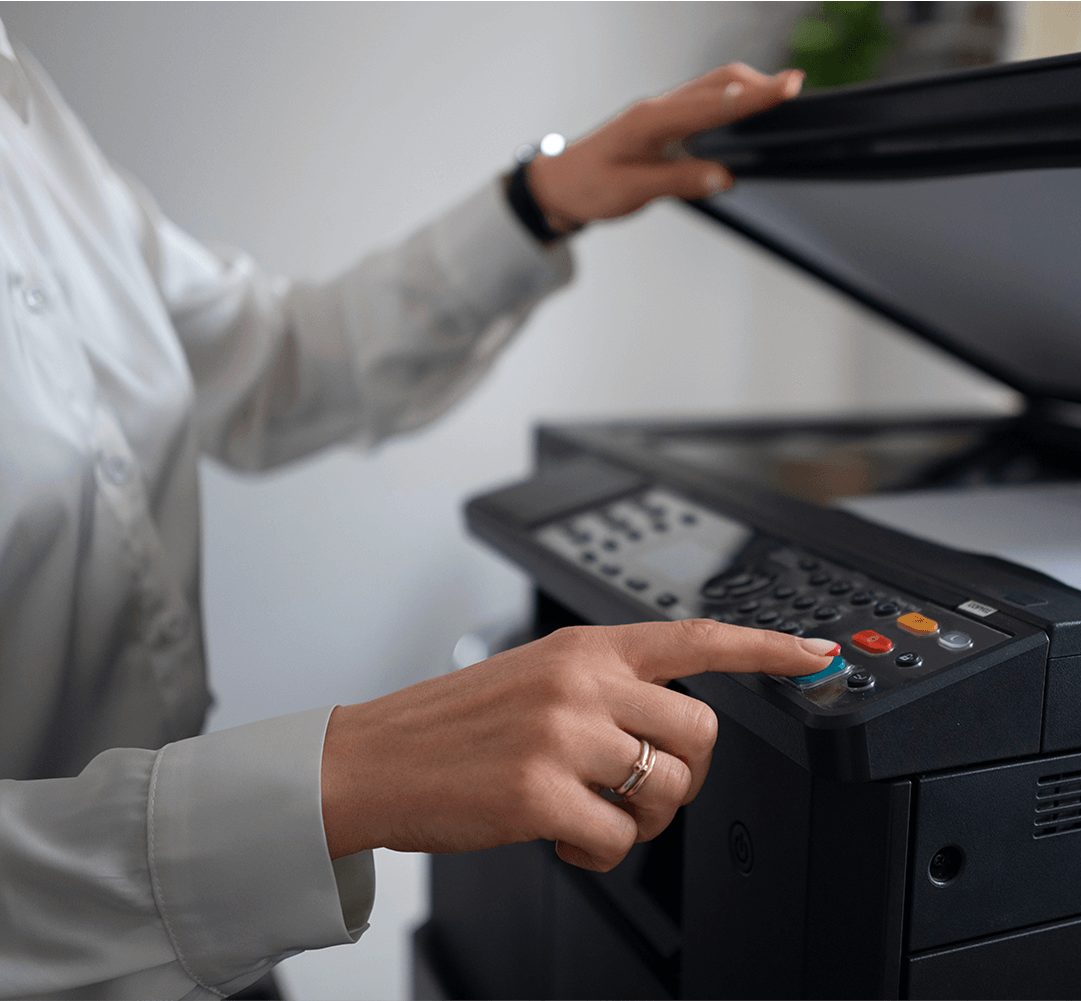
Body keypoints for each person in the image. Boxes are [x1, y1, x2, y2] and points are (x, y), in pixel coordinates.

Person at [0, 19, 834, 1000]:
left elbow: (268, 358)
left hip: (211, 953)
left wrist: (537, 202)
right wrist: (339, 778)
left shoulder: (20, 96)